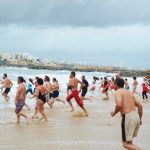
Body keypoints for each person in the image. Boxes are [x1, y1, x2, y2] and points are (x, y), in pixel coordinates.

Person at [111, 78, 143, 150]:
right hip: (135, 116)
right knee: (129, 143)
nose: (113, 85)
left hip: (128, 117)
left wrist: (114, 112)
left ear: (116, 84)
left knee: (125, 144)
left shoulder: (118, 92)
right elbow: (140, 106)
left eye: (113, 84)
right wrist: (140, 119)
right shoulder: (129, 92)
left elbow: (119, 105)